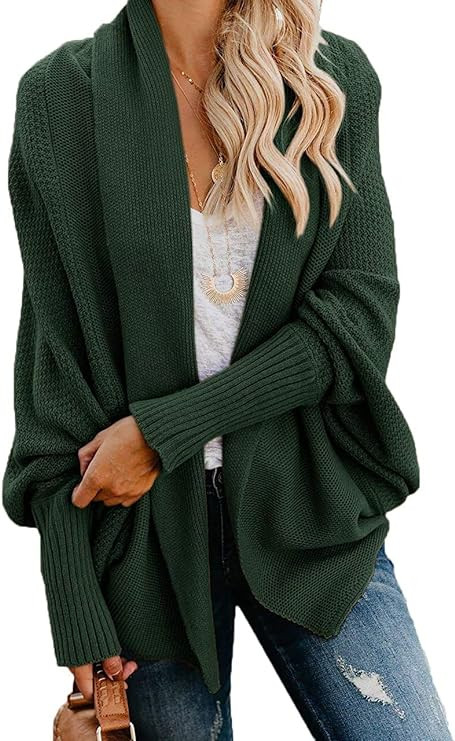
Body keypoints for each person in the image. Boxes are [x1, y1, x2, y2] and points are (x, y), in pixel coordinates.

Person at [3, 0, 452, 738]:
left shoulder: (327, 79)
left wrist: (167, 432)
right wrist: (73, 597)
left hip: (309, 511)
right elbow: (54, 368)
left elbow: (357, 318)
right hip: (144, 548)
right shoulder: (61, 96)